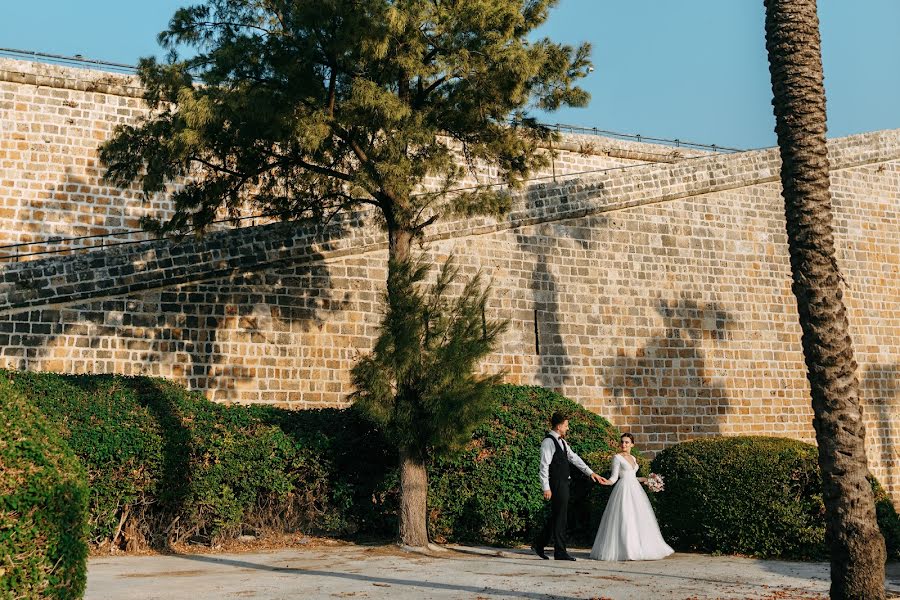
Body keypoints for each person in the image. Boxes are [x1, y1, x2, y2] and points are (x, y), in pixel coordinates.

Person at [589, 433, 674, 561]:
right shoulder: (617, 457)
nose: (624, 444)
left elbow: (633, 476)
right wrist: (606, 482)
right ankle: (627, 550)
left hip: (636, 490)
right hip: (623, 490)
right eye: (622, 442)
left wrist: (647, 480)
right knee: (625, 517)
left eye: (627, 442)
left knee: (639, 518)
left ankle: (640, 547)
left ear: (632, 444)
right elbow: (614, 478)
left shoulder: (633, 458)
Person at [532, 411, 603, 561]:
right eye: (566, 425)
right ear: (559, 426)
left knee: (558, 515)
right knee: (561, 517)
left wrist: (591, 473)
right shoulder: (548, 442)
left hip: (564, 482)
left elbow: (574, 458)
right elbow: (544, 466)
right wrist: (546, 487)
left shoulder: (562, 442)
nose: (567, 428)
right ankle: (560, 551)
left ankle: (539, 544)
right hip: (556, 483)